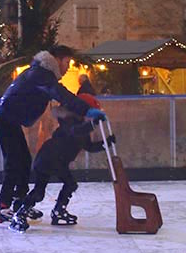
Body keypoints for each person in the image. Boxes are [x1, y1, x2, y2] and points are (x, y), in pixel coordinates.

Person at [0, 45, 106, 224]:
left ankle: (19, 203)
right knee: (14, 162)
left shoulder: (40, 73)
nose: (68, 67)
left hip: (9, 117)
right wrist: (87, 110)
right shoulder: (41, 75)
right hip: (5, 118)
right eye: (67, 62)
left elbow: (59, 95)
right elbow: (62, 95)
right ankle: (2, 207)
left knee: (23, 161)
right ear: (57, 60)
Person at [9, 93, 115, 232]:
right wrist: (92, 124)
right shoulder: (69, 121)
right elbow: (74, 131)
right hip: (49, 158)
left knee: (65, 185)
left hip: (58, 161)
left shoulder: (82, 127)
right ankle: (21, 213)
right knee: (43, 191)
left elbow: (89, 146)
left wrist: (107, 143)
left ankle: (58, 211)